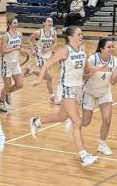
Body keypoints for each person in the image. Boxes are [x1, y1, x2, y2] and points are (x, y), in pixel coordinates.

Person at [30, 26, 99, 166]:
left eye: (82, 34)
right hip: (66, 88)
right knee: (77, 122)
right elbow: (47, 64)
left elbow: (86, 70)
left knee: (62, 116)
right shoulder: (64, 51)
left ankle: (36, 122)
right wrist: (39, 79)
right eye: (79, 34)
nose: (81, 36)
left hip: (77, 88)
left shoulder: (82, 50)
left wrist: (98, 70)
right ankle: (83, 155)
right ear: (70, 37)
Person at [80, 39, 117, 156]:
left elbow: (112, 82)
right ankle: (73, 119)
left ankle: (102, 144)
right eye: (109, 47)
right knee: (86, 122)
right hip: (89, 92)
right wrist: (92, 73)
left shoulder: (115, 61)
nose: (111, 49)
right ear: (101, 49)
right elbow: (83, 76)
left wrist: (115, 76)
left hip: (104, 92)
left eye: (112, 47)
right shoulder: (93, 59)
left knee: (107, 119)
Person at [26, 17, 58, 103]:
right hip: (40, 55)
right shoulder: (38, 33)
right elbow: (29, 39)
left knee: (45, 76)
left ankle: (31, 71)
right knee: (49, 78)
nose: (50, 23)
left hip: (48, 56)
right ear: (44, 23)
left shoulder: (54, 32)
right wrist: (32, 49)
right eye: (48, 21)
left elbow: (55, 43)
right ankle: (52, 97)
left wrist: (48, 49)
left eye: (51, 21)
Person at [0, 17, 26, 113]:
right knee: (7, 85)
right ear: (9, 24)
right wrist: (15, 49)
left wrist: (23, 52)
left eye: (17, 23)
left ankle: (7, 93)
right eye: (14, 23)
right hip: (6, 63)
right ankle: (1, 103)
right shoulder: (6, 36)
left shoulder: (19, 34)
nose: (16, 25)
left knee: (20, 84)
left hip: (15, 63)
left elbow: (20, 47)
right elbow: (2, 51)